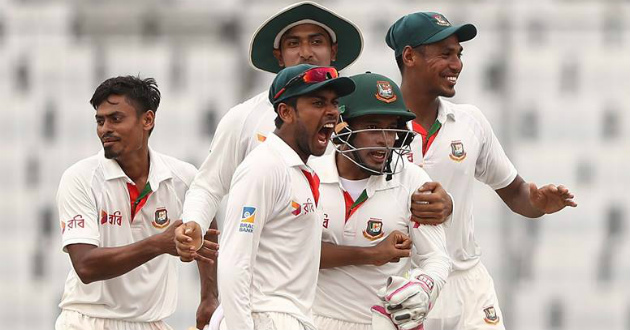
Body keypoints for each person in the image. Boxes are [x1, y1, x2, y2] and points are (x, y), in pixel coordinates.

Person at [174, 2, 365, 328]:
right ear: (278, 56)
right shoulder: (245, 118)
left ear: (334, 50)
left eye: (316, 41)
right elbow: (209, 185)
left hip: (337, 295)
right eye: (294, 43)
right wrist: (193, 221)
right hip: (269, 299)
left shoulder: (361, 119)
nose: (305, 52)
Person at [385, 12, 578, 330]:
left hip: (466, 282)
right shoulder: (376, 128)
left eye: (459, 54)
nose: (457, 64)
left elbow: (516, 192)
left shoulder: (470, 121)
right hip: (403, 286)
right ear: (409, 56)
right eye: (445, 54)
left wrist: (539, 203)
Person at [54, 76, 218, 330]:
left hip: (150, 323)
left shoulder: (182, 178)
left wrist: (209, 297)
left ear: (147, 120)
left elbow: (207, 227)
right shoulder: (80, 178)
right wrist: (158, 244)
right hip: (87, 321)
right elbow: (85, 265)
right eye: (100, 120)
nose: (105, 128)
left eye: (116, 118)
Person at [216, 64, 355, 330]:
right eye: (317, 102)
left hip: (293, 317)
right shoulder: (264, 167)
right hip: (265, 316)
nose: (332, 112)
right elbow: (234, 261)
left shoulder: (301, 170)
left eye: (334, 103)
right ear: (286, 112)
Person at [310, 72, 451, 330]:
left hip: (379, 322)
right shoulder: (310, 175)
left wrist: (424, 287)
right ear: (343, 129)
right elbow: (292, 252)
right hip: (314, 320)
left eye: (392, 128)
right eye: (373, 127)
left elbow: (437, 259)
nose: (386, 141)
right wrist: (372, 254)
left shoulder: (412, 179)